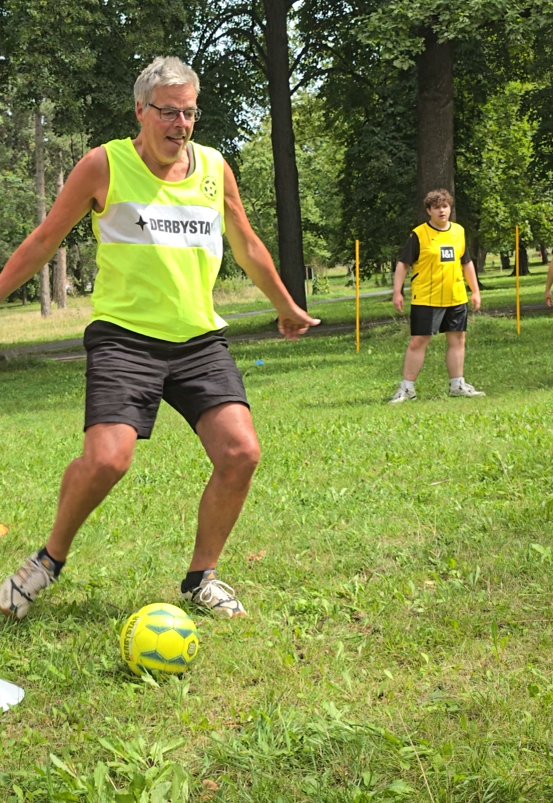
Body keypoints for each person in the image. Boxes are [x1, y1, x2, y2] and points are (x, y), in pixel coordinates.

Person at [0, 57, 319, 621]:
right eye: (168, 112)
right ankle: (46, 561)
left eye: (189, 112)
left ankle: (202, 577)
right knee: (107, 460)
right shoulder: (104, 165)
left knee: (241, 452)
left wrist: (285, 305)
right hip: (125, 339)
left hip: (198, 339)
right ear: (141, 111)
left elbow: (245, 242)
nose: (180, 124)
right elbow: (46, 239)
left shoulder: (214, 169)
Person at [389, 189, 485, 403]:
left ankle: (457, 385)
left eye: (445, 206)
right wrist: (397, 292)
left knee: (458, 339)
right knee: (418, 341)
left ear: (450, 209)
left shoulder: (459, 231)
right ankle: (407, 389)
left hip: (456, 296)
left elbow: (466, 262)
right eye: (436, 207)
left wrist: (475, 291)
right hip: (426, 298)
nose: (442, 211)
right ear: (428, 211)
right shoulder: (418, 234)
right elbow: (403, 264)